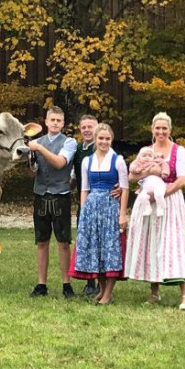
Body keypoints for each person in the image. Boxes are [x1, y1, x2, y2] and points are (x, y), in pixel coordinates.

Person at [124, 112, 185, 310]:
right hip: (148, 199)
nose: (161, 132)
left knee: (173, 243)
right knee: (152, 242)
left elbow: (182, 180)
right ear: (152, 129)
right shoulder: (147, 151)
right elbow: (132, 176)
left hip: (169, 200)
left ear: (170, 130)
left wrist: (162, 194)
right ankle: (154, 292)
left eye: (164, 128)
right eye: (158, 128)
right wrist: (149, 173)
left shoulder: (178, 151)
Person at [69, 123, 129, 305]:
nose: (104, 142)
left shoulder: (117, 160)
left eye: (107, 138)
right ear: (95, 139)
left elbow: (125, 189)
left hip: (110, 208)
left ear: (111, 140)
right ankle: (102, 289)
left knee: (110, 250)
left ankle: (108, 293)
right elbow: (84, 189)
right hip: (92, 208)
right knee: (97, 249)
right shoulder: (87, 161)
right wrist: (84, 212)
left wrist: (122, 214)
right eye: (101, 138)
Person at [27, 106, 77, 298]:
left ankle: (66, 283)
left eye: (58, 120)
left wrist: (39, 149)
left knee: (63, 241)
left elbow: (59, 163)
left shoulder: (69, 142)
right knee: (41, 241)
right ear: (46, 122)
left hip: (60, 195)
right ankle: (41, 284)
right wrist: (30, 161)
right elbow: (31, 173)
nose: (55, 123)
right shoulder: (36, 142)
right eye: (52, 120)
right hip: (40, 194)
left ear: (63, 123)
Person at [70, 114, 101, 296]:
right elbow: (74, 176)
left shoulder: (103, 146)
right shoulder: (78, 149)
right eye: (84, 127)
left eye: (91, 126)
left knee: (100, 241)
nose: (87, 130)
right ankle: (90, 281)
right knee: (87, 240)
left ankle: (102, 281)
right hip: (84, 201)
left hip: (102, 201)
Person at [129, 148, 169, 217]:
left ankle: (160, 208)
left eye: (150, 156)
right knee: (142, 196)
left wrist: (164, 172)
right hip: (146, 185)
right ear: (139, 157)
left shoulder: (157, 161)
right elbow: (132, 168)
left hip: (157, 183)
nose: (147, 157)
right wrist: (136, 169)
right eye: (144, 156)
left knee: (158, 194)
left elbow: (165, 165)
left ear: (153, 157)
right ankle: (147, 208)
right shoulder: (138, 163)